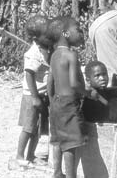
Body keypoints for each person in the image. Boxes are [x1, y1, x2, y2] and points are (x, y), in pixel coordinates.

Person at [46, 16, 107, 178]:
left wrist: (52, 101)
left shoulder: (54, 55)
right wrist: (89, 93)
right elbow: (74, 83)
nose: (81, 33)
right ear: (65, 34)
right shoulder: (71, 55)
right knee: (71, 144)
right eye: (78, 30)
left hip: (57, 103)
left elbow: (50, 81)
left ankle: (57, 173)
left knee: (58, 140)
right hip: (69, 104)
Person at [14, 14, 51, 167]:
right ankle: (19, 156)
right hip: (32, 96)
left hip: (41, 94)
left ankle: (31, 154)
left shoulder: (46, 48)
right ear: (36, 38)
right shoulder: (33, 53)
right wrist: (35, 97)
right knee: (28, 128)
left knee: (36, 129)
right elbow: (29, 74)